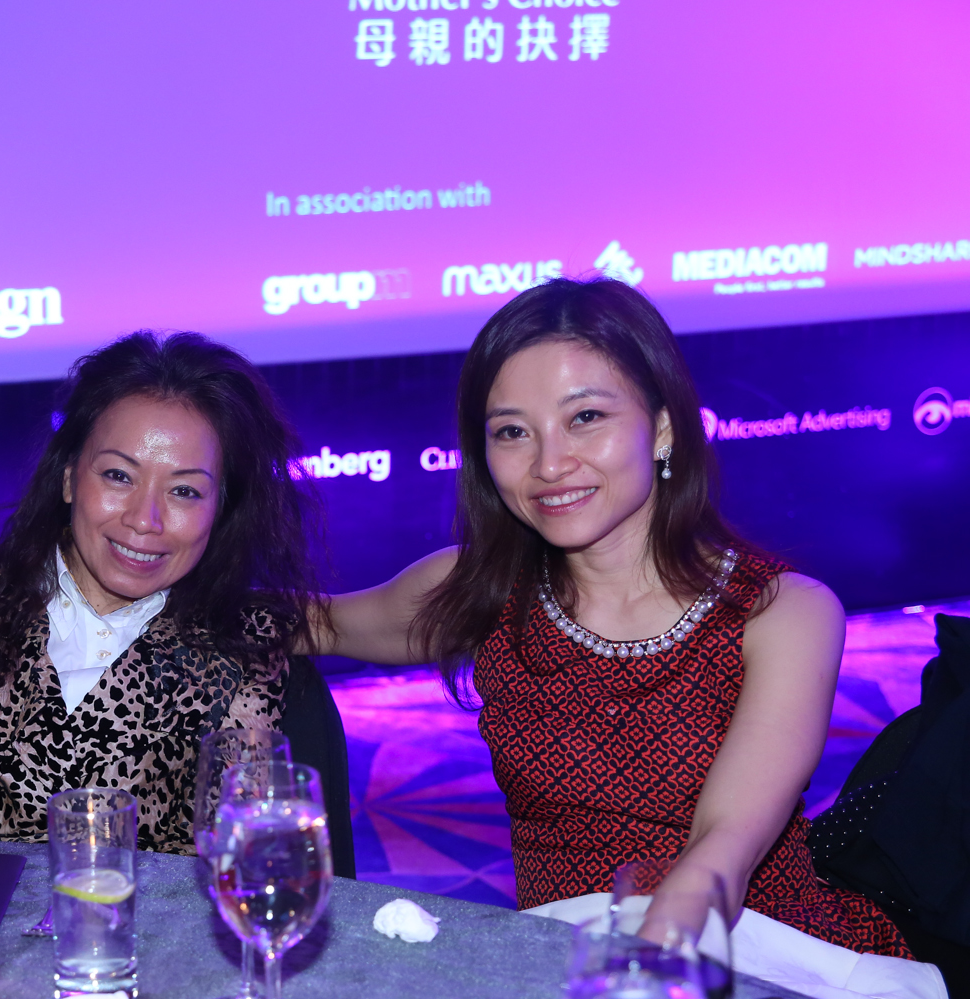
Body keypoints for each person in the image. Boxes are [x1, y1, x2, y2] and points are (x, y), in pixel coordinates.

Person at [313, 277, 907, 958]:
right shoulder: (482, 589)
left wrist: (633, 982)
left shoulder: (781, 613)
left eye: (586, 417)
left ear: (663, 429)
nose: (550, 463)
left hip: (763, 967)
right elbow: (311, 623)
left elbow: (723, 850)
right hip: (564, 961)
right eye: (513, 432)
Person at [0, 331, 327, 852]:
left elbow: (239, 854)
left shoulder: (245, 651)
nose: (145, 520)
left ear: (221, 508)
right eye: (119, 475)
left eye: (185, 490)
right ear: (70, 477)